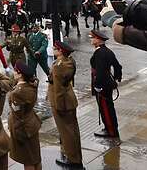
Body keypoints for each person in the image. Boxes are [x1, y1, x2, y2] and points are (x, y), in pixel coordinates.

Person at [49, 41, 84, 169]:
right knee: (72, 130)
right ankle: (75, 157)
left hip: (62, 102)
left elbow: (58, 88)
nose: (53, 49)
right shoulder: (68, 61)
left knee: (67, 133)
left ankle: (73, 159)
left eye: (56, 48)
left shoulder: (59, 65)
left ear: (61, 51)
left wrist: (58, 105)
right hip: (68, 99)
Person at [7, 61, 42, 170]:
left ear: (20, 74)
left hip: (23, 128)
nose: (13, 73)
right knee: (35, 157)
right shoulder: (32, 84)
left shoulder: (17, 93)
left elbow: (18, 115)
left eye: (15, 71)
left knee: (28, 160)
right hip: (32, 123)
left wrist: (17, 134)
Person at [89, 29, 122, 139]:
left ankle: (111, 131)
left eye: (92, 38)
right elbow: (118, 66)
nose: (91, 39)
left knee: (106, 109)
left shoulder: (100, 53)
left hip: (102, 85)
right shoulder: (107, 51)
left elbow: (100, 71)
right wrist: (117, 78)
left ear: (98, 40)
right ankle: (110, 128)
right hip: (107, 83)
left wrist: (98, 86)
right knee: (108, 107)